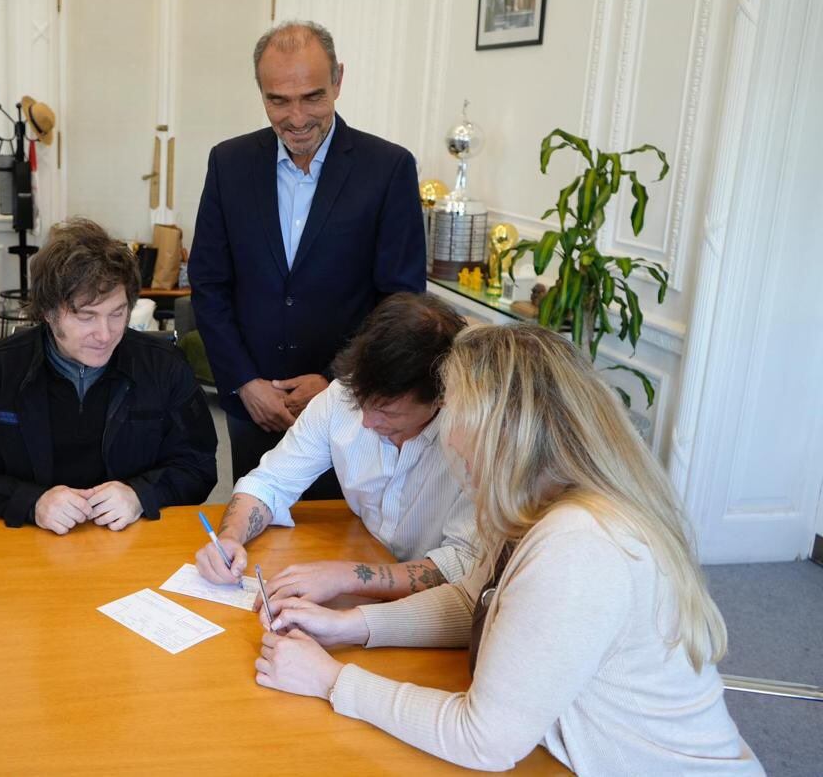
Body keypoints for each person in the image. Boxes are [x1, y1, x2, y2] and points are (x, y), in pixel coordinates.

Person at [254, 324, 762, 775]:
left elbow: (484, 740)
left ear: (503, 430)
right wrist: (351, 626)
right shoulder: (537, 504)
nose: (449, 441)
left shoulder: (580, 544)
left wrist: (332, 680)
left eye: (455, 415)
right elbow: (474, 603)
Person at [189, 20, 425, 499]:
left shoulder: (389, 169)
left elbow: (400, 302)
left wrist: (337, 382)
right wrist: (244, 383)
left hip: (351, 409)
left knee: (337, 542)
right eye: (279, 100)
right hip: (255, 407)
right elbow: (209, 284)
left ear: (338, 80)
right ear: (261, 93)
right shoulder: (228, 163)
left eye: (312, 96)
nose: (297, 117)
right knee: (257, 529)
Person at [0, 218, 217, 533]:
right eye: (86, 316)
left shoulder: (166, 367)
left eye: (117, 313)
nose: (105, 334)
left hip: (132, 543)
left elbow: (199, 467)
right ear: (48, 312)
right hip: (24, 544)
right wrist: (31, 502)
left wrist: (141, 494)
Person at [195, 293, 476, 605]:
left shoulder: (474, 439)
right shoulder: (340, 397)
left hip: (441, 611)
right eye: (362, 401)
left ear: (441, 397)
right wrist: (231, 537)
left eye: (388, 413)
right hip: (364, 576)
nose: (367, 421)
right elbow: (269, 482)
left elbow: (463, 565)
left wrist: (345, 576)